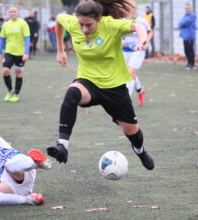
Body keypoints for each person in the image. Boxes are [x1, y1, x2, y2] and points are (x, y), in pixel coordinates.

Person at [47, 0, 154, 171]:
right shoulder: (75, 24)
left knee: (132, 131)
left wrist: (142, 41)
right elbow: (60, 19)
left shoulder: (111, 25)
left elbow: (138, 27)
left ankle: (140, 151)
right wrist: (60, 49)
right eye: (81, 24)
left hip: (114, 86)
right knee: (72, 92)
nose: (84, 29)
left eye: (88, 25)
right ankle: (62, 145)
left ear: (98, 19)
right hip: (88, 81)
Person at [0, 132, 51, 205]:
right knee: (9, 164)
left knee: (9, 164)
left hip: (22, 166)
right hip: (12, 187)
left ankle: (36, 163)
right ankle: (27, 199)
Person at [0, 7, 30, 102]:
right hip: (9, 52)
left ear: (18, 13)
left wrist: (26, 53)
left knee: (18, 73)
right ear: (9, 13)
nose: (12, 13)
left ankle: (16, 94)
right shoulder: (6, 25)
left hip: (20, 53)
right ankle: (10, 91)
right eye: (11, 11)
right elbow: (2, 40)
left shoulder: (23, 23)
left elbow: (27, 39)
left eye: (14, 11)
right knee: (5, 71)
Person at [122, 1, 153, 106]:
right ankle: (140, 91)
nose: (133, 11)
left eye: (134, 9)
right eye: (130, 9)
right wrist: (120, 41)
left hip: (138, 51)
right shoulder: (122, 21)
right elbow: (116, 35)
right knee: (129, 73)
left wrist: (146, 41)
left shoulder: (142, 21)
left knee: (130, 73)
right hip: (125, 51)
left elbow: (150, 32)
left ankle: (126, 101)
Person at [178, 3, 196, 70]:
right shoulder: (185, 15)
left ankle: (192, 64)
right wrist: (181, 23)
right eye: (185, 8)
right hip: (185, 36)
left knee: (190, 50)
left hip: (190, 36)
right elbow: (179, 24)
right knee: (186, 50)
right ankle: (188, 63)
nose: (186, 9)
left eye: (188, 8)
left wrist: (181, 23)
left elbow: (184, 22)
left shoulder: (192, 16)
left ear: (190, 9)